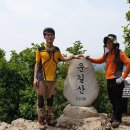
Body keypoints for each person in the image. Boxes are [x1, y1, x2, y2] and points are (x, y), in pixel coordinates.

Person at [33, 27, 81, 129]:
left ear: (54, 37)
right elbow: (37, 64)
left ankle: (49, 119)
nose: (50, 37)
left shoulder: (56, 50)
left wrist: (73, 56)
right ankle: (41, 121)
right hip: (41, 77)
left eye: (51, 35)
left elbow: (63, 59)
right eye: (47, 35)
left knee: (50, 99)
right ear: (44, 37)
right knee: (41, 99)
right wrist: (35, 78)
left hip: (53, 78)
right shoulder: (40, 50)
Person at [85, 34, 130, 128]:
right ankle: (115, 116)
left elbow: (128, 62)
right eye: (107, 42)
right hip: (109, 80)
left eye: (110, 42)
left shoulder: (120, 53)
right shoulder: (107, 54)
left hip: (117, 80)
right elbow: (100, 60)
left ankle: (117, 119)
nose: (108, 44)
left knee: (117, 100)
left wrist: (123, 76)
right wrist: (89, 59)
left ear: (114, 43)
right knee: (112, 99)